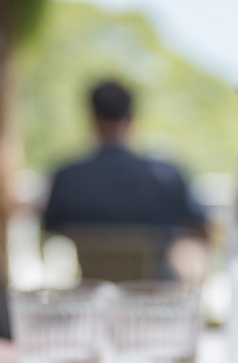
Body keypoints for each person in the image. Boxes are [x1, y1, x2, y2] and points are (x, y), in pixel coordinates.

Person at [42, 80, 208, 278]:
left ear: (92, 117)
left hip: (92, 294)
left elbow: (49, 227)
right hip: (155, 300)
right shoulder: (166, 177)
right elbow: (202, 230)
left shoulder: (67, 178)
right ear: (131, 119)